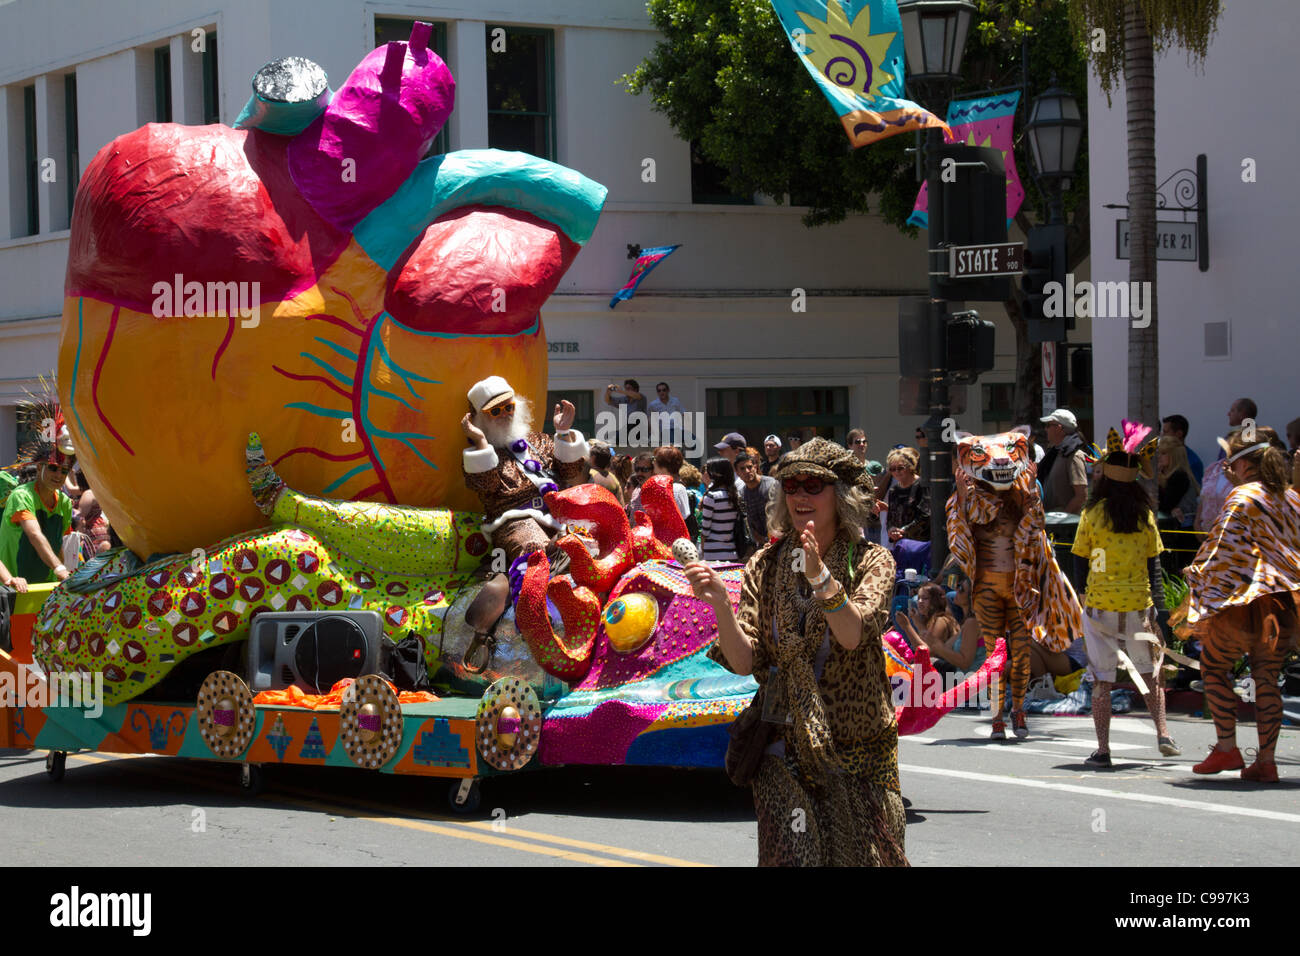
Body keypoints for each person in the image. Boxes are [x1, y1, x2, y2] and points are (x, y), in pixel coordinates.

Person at [683, 437, 905, 866]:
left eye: (813, 486)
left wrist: (823, 580)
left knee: (866, 859)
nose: (800, 495)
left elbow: (852, 634)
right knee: (794, 855)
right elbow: (745, 660)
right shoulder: (764, 566)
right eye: (791, 486)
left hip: (856, 744)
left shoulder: (872, 560)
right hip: (782, 743)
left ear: (839, 496)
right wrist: (722, 608)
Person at [1181, 426, 1300, 783]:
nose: (1227, 471)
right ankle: (1266, 760)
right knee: (1267, 677)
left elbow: (1221, 547)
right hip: (1282, 606)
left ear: (1245, 463)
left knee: (1214, 668)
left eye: (1230, 463)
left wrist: (1196, 573)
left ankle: (1227, 748)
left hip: (1243, 606)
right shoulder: (1292, 497)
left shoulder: (1242, 496)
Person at [1071, 423, 1180, 768]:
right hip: (1138, 606)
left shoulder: (1092, 514)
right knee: (1149, 674)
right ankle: (1163, 733)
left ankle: (1103, 750)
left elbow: (1079, 559)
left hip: (1100, 605)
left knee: (1101, 680)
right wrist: (1160, 610)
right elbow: (1155, 567)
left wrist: (1083, 596)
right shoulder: (1145, 515)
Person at [459, 376, 589, 634]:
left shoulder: (538, 441)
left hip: (557, 513)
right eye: (495, 411)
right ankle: (534, 615)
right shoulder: (480, 454)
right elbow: (485, 485)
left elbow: (571, 470)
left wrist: (562, 432)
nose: (504, 414)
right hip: (513, 521)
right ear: (480, 418)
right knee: (532, 544)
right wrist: (481, 442)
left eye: (509, 407)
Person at [0, 450, 76, 586]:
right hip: (15, 584)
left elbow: (57, 545)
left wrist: (61, 575)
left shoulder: (65, 503)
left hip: (46, 585)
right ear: (40, 467)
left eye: (64, 471)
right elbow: (34, 534)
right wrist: (59, 568)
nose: (58, 475)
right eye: (53, 468)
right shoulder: (22, 495)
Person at [893, 582, 961, 671]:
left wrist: (907, 626)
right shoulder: (930, 619)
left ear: (935, 601)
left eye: (925, 598)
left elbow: (926, 653)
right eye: (919, 598)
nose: (920, 602)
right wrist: (916, 622)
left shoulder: (941, 620)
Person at [1039, 408, 1088, 514]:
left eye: (1048, 425)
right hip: (1052, 520)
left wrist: (1064, 518)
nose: (1046, 429)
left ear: (1059, 428)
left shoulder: (1074, 455)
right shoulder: (1056, 453)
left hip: (1065, 525)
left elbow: (1081, 495)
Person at [628, 445, 692, 523]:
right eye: (637, 469)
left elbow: (679, 521)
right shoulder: (662, 486)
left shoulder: (675, 489)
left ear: (663, 465)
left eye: (655, 459)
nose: (653, 461)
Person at [880, 447, 930, 542]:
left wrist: (903, 530)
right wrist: (891, 530)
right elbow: (890, 519)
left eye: (900, 468)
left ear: (910, 467)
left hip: (920, 544)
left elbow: (925, 516)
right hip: (900, 544)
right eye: (892, 469)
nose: (896, 472)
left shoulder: (922, 486)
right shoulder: (893, 491)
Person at [700, 457, 744, 562]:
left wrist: (702, 546)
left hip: (713, 553)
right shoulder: (735, 495)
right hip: (732, 551)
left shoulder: (711, 496)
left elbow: (705, 528)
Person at [1156, 436, 1199, 528]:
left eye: (1163, 453)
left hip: (1182, 530)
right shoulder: (1165, 475)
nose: (1159, 457)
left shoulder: (1180, 476)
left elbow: (1165, 504)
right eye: (1158, 453)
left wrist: (1158, 479)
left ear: (1174, 455)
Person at [735, 452, 777, 545]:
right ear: (737, 472)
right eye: (742, 469)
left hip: (778, 540)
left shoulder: (772, 485)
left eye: (749, 467)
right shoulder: (742, 494)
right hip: (760, 544)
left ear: (755, 467)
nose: (746, 471)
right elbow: (749, 523)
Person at [1161, 414, 1203, 485]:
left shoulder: (1193, 462)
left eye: (1166, 432)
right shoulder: (1162, 459)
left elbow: (1194, 492)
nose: (1162, 435)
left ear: (1179, 434)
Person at [647, 382, 686, 447]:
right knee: (673, 445)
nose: (661, 392)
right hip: (666, 431)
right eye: (659, 391)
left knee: (695, 443)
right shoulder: (653, 404)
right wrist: (651, 431)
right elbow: (648, 416)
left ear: (668, 390)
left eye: (664, 390)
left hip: (678, 429)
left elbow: (683, 413)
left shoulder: (675, 400)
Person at [587, 439, 623, 505]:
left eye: (589, 455)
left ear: (593, 458)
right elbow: (621, 504)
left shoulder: (588, 475)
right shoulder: (614, 478)